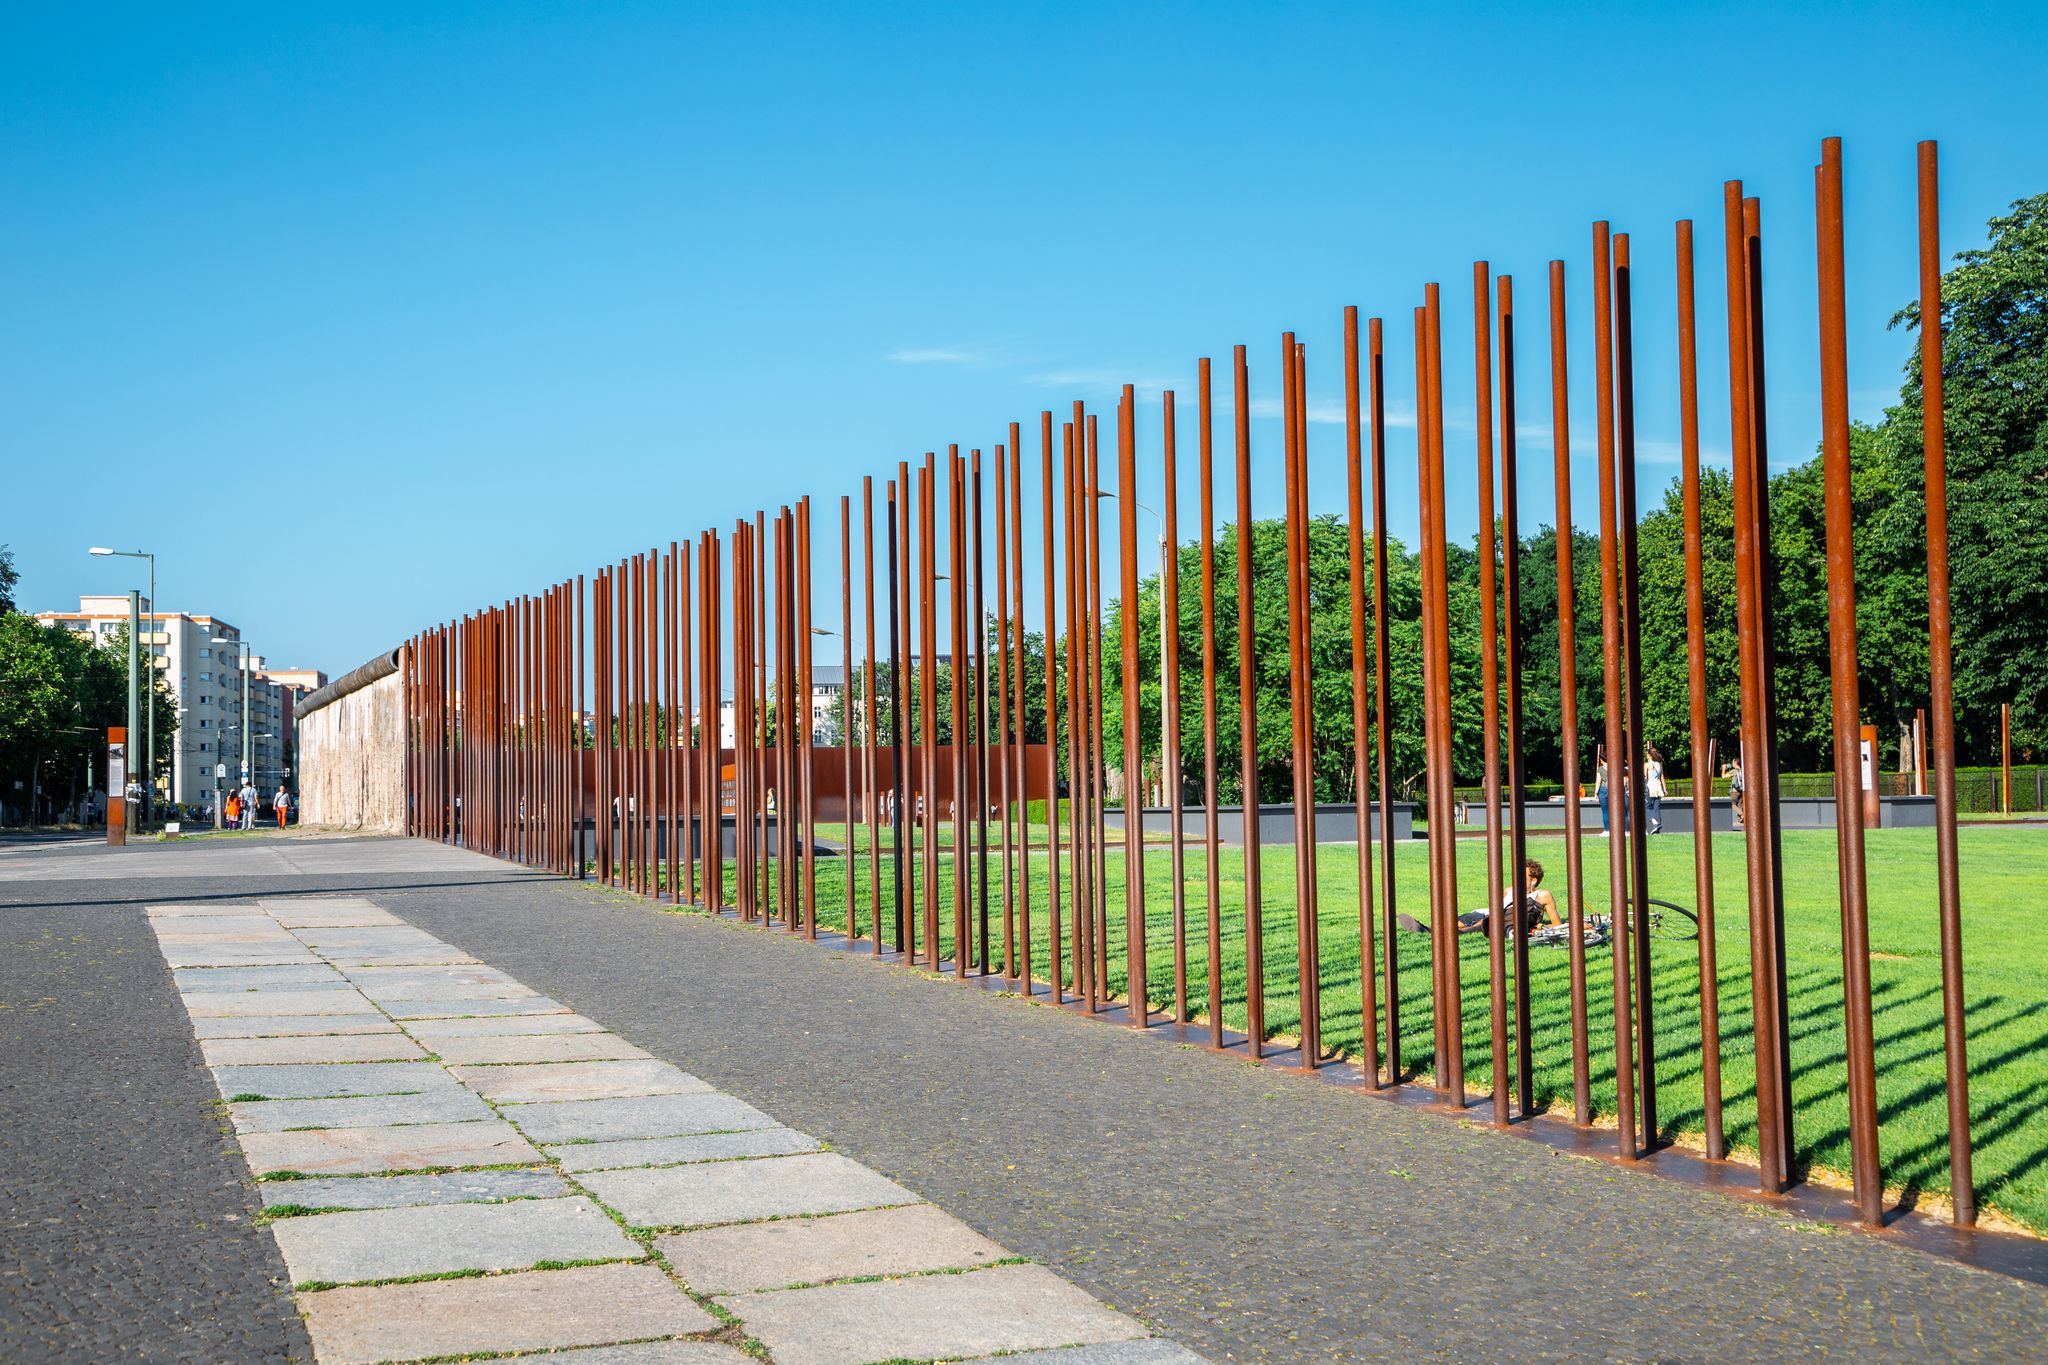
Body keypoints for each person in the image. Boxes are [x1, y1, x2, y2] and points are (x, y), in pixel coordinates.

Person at [1644, 747, 1666, 834]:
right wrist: (1664, 789)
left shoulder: (1647, 765)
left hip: (1650, 787)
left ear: (1649, 755)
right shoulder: (1659, 765)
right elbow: (1662, 778)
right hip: (1658, 787)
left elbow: (1645, 778)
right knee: (1657, 808)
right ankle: (1658, 828)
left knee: (1647, 807)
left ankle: (1655, 823)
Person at [1726, 756, 1745, 830]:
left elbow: (1723, 776)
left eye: (1732, 761)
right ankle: (1740, 821)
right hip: (1741, 791)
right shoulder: (1742, 770)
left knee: (1732, 805)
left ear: (1735, 762)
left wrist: (1724, 768)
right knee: (1739, 805)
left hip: (1734, 792)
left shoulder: (1735, 771)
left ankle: (1743, 815)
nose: (1732, 763)